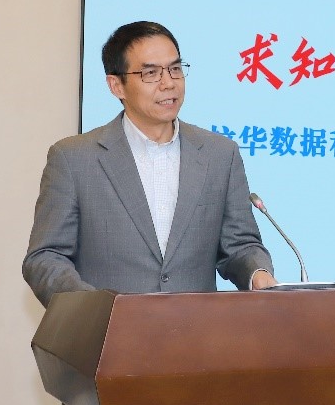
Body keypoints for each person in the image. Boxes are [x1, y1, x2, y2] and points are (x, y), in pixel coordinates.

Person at [24, 20, 278, 304]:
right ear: (116, 86)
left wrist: (257, 273)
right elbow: (45, 258)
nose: (168, 83)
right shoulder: (74, 159)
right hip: (108, 329)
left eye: (175, 69)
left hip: (195, 328)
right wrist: (91, 309)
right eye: (151, 73)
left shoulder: (219, 154)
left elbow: (240, 245)